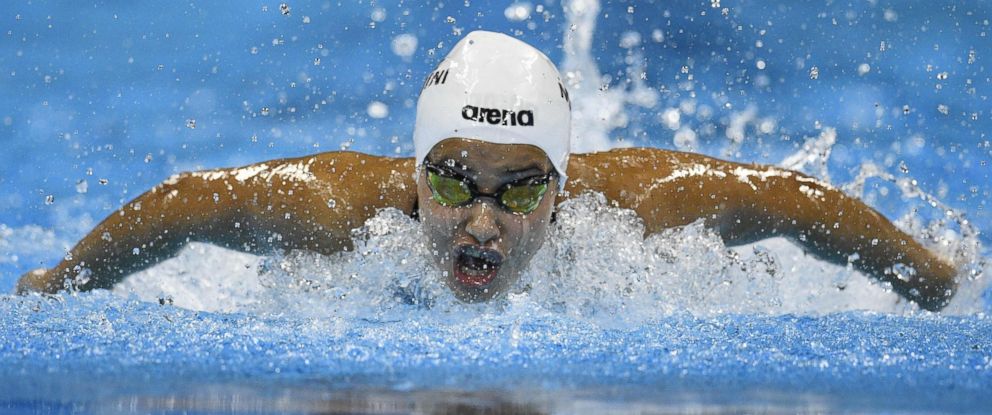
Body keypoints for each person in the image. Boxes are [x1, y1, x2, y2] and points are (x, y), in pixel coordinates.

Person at [15, 31, 958, 311]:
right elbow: (185, 205)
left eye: (520, 190)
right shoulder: (340, 210)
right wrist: (56, 284)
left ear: (563, 187)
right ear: (418, 173)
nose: (482, 224)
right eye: (458, 182)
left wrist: (936, 281)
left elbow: (791, 204)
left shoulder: (636, 210)